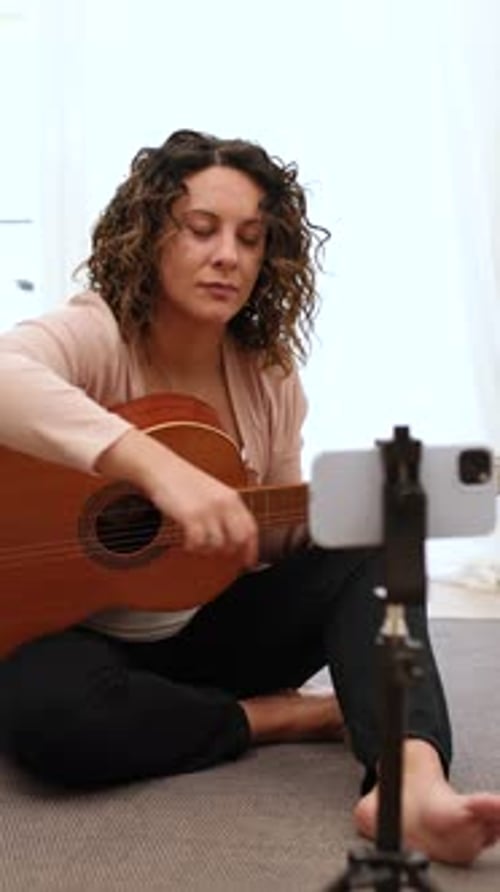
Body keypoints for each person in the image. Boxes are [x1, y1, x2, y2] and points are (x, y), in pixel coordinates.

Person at [0, 128, 499, 867]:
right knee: (47, 718)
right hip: (76, 635)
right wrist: (155, 469)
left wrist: (332, 520)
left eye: (252, 238)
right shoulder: (96, 331)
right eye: (201, 230)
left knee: (369, 544)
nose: (227, 255)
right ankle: (279, 719)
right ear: (149, 237)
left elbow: (266, 537)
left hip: (208, 636)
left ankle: (407, 780)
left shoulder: (267, 377)